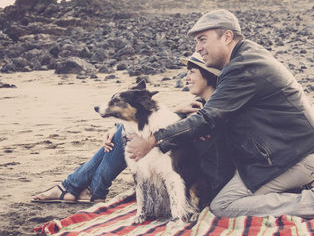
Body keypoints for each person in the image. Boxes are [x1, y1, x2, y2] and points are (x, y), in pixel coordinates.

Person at [126, 9, 314, 219]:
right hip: (283, 152)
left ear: (226, 37)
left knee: (224, 205)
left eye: (202, 40)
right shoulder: (244, 58)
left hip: (297, 156)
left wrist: (153, 140)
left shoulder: (243, 67)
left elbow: (208, 118)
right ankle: (296, 190)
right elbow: (219, 103)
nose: (198, 48)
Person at [31, 52, 233, 203]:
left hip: (195, 182)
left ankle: (80, 188)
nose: (186, 78)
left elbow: (177, 130)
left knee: (126, 133)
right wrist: (120, 125)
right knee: (122, 132)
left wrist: (124, 128)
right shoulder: (198, 104)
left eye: (192, 72)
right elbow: (162, 122)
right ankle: (83, 189)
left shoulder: (211, 112)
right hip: (173, 170)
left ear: (209, 74)